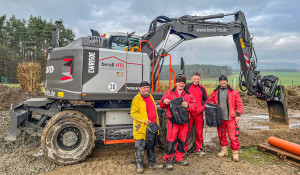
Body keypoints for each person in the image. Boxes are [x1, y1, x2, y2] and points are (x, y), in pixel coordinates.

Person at [160, 76, 196, 170]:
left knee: (182, 141)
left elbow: (194, 106)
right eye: (179, 82)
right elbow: (162, 104)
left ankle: (180, 158)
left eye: (183, 83)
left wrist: (188, 105)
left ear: (185, 84)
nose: (181, 84)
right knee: (170, 141)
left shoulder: (189, 94)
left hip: (184, 122)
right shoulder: (169, 93)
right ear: (176, 83)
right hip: (173, 122)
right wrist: (164, 101)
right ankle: (168, 160)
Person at [131, 81, 164, 173]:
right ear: (140, 89)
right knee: (140, 147)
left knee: (151, 146)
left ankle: (152, 164)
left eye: (147, 87)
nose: (146, 89)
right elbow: (133, 113)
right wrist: (144, 119)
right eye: (144, 88)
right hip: (141, 127)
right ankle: (139, 165)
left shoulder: (151, 96)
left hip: (152, 127)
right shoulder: (136, 99)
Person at [209, 75, 243, 162]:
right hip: (220, 118)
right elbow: (211, 101)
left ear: (227, 82)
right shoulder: (215, 92)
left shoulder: (233, 92)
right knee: (221, 135)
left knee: (233, 136)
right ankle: (224, 151)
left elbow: (239, 103)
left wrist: (238, 115)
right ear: (219, 82)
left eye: (224, 81)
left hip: (230, 118)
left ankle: (235, 153)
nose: (222, 82)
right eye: (221, 81)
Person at [184, 73, 208, 155]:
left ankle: (199, 149)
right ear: (191, 78)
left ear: (199, 79)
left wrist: (202, 108)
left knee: (199, 131)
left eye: (197, 79)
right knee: (186, 131)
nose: (196, 80)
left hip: (198, 113)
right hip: (189, 113)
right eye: (194, 79)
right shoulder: (186, 87)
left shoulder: (202, 88)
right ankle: (184, 149)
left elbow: (207, 100)